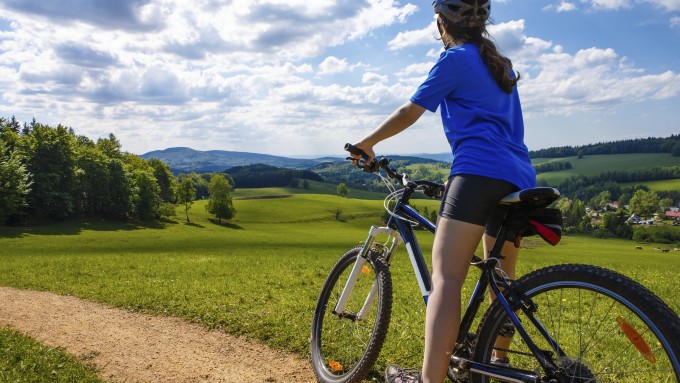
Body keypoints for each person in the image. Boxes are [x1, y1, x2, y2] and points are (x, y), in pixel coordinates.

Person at [347, 1, 536, 382]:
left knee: (447, 281)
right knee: (501, 280)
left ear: (440, 23)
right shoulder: (501, 64)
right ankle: (497, 362)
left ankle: (428, 379)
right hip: (519, 176)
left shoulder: (455, 59)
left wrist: (365, 145)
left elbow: (410, 110)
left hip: (479, 172)